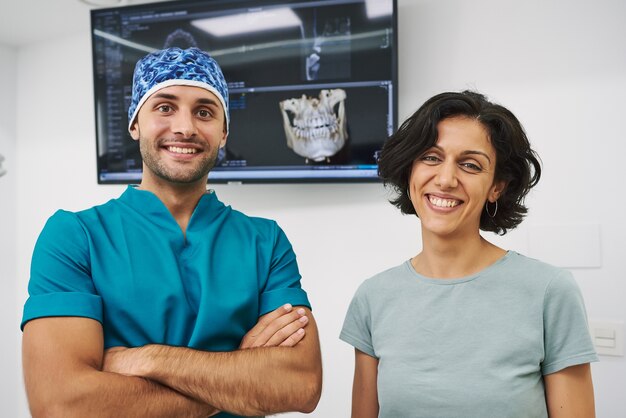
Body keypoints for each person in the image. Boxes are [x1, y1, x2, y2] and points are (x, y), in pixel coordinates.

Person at [21, 47, 322, 418]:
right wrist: (238, 379)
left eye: (205, 112)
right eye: (164, 107)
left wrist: (148, 360)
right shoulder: (75, 236)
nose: (185, 128)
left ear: (224, 131)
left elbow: (302, 387)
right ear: (134, 123)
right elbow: (61, 405)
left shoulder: (266, 241)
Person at [340, 91, 597, 418]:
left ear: (497, 186)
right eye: (431, 158)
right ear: (410, 171)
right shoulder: (373, 298)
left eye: (470, 164)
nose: (446, 179)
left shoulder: (549, 291)